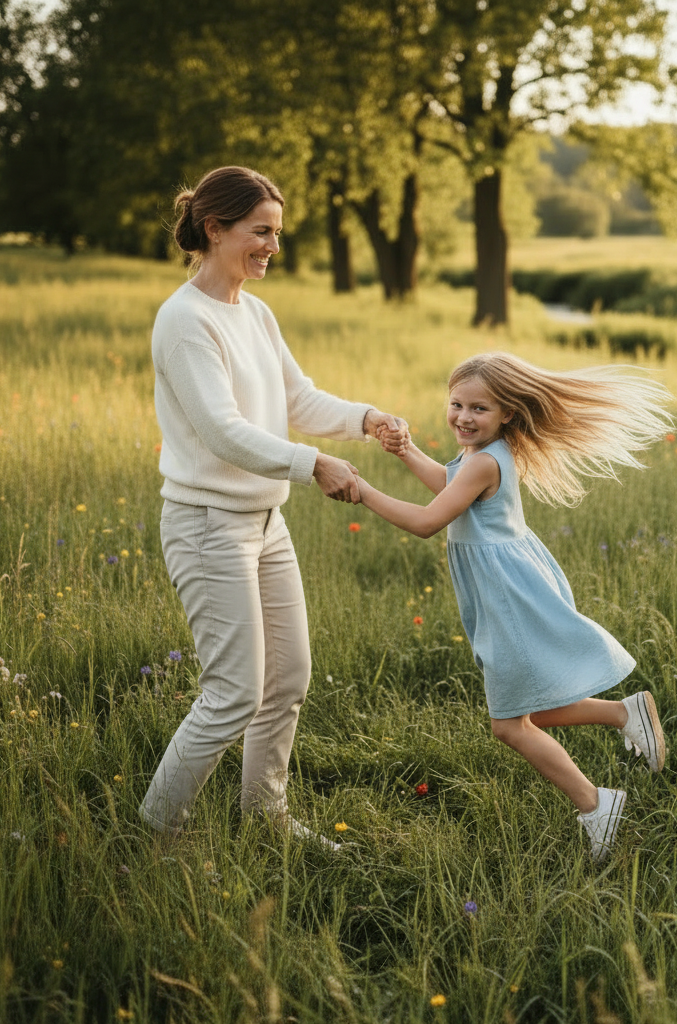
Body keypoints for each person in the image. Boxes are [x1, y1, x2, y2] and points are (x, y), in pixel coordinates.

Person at [139, 166, 407, 847]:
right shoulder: (185, 321)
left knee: (286, 680)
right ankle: (157, 835)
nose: (272, 248)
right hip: (208, 526)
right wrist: (312, 464)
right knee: (233, 694)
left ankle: (266, 817)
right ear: (215, 229)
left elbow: (297, 399)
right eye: (261, 232)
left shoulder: (254, 313)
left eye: (277, 234)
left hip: (266, 524)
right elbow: (222, 431)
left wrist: (366, 418)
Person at [362, 352, 672, 861]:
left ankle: (597, 805)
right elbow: (449, 488)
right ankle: (623, 713)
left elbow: (426, 521)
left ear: (507, 412)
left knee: (509, 724)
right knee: (531, 707)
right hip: (506, 590)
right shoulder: (481, 455)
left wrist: (362, 490)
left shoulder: (485, 461)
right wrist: (408, 451)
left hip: (508, 597)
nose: (464, 417)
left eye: (478, 408)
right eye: (456, 404)